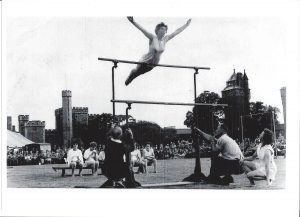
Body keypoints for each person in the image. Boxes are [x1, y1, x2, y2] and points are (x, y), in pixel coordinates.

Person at [125, 17, 192, 85]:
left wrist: (186, 25)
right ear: (157, 30)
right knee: (136, 72)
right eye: (162, 29)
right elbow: (142, 30)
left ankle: (131, 76)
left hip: (153, 65)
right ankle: (131, 76)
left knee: (138, 74)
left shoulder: (165, 39)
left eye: (165, 30)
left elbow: (176, 32)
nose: (163, 31)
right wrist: (133, 21)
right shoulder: (152, 37)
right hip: (145, 62)